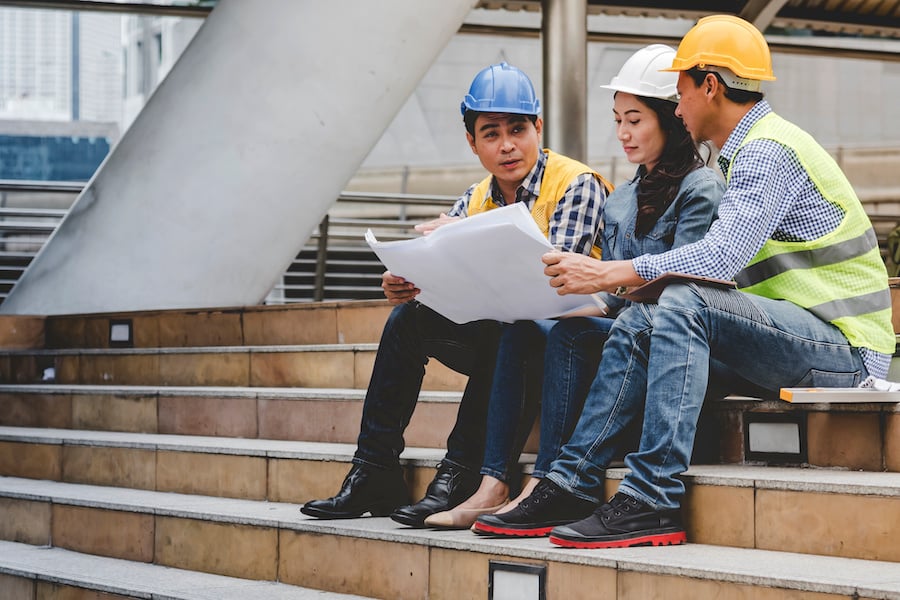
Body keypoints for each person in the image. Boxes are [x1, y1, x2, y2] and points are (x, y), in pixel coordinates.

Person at [473, 15, 895, 547]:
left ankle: (652, 496)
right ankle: (572, 480)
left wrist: (609, 273)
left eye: (680, 92)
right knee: (643, 323)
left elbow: (719, 260)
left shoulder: (767, 150)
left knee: (684, 299)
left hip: (846, 353)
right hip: (798, 342)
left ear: (710, 86)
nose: (676, 108)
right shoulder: (746, 150)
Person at [423, 45, 723, 530]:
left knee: (569, 333)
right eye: (618, 120)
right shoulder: (623, 198)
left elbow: (688, 287)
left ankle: (549, 480)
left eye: (636, 120)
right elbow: (610, 294)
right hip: (625, 323)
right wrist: (577, 299)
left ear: (670, 120)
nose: (623, 134)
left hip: (674, 336)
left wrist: (604, 289)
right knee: (530, 330)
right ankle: (491, 481)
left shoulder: (701, 188)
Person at [300, 62, 612, 527]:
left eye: (517, 129)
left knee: (511, 328)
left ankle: (461, 473)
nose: (507, 144)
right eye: (491, 133)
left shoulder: (575, 184)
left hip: (558, 345)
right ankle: (374, 468)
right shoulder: (475, 196)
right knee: (407, 320)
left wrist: (467, 234)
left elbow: (552, 288)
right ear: (472, 142)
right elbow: (454, 276)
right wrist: (410, 281)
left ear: (538, 128)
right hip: (505, 335)